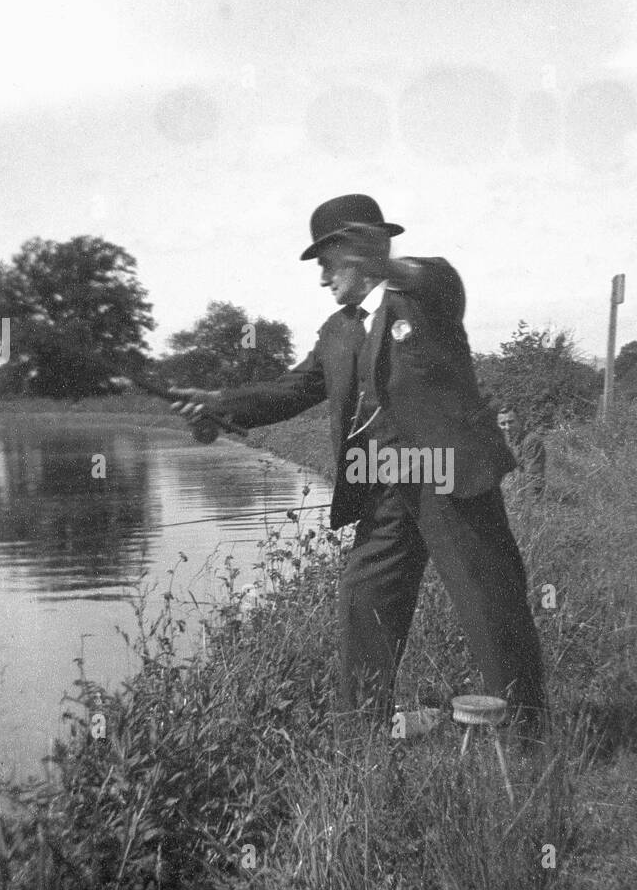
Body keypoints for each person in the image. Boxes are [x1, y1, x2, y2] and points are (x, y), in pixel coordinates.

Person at [168, 194, 546, 748]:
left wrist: (385, 265)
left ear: (359, 253)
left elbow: (429, 277)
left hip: (449, 477)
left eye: (327, 261)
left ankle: (527, 736)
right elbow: (293, 389)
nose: (321, 277)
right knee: (364, 601)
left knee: (489, 602)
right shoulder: (338, 330)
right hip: (383, 485)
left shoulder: (427, 294)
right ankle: (360, 740)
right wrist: (220, 401)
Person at [496, 405, 547, 497]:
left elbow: (535, 479)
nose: (507, 427)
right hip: (508, 496)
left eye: (511, 422)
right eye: (502, 424)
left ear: (520, 421)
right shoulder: (501, 442)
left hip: (524, 498)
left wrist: (529, 507)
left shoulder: (531, 441)